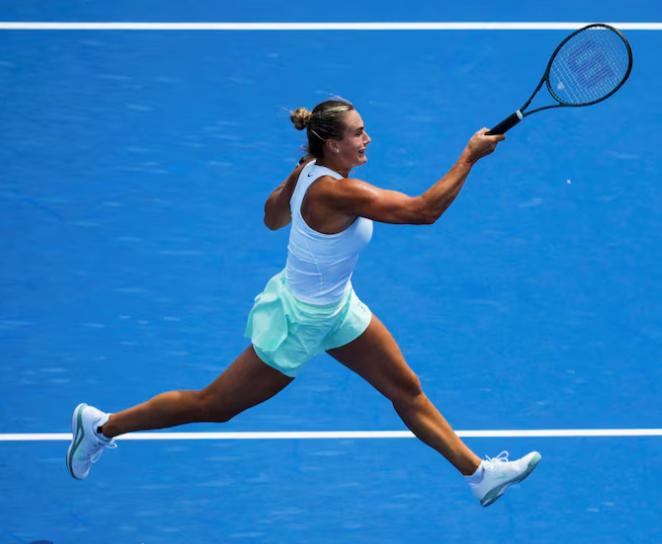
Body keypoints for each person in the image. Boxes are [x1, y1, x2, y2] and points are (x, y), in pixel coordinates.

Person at [67, 98, 541, 507]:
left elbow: (271, 218)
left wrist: (296, 180)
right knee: (214, 405)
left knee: (406, 389)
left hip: (336, 307)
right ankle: (103, 427)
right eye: (359, 133)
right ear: (333, 144)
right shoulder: (339, 191)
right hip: (300, 321)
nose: (368, 139)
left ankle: (479, 475)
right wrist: (470, 156)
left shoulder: (309, 172)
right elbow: (424, 211)